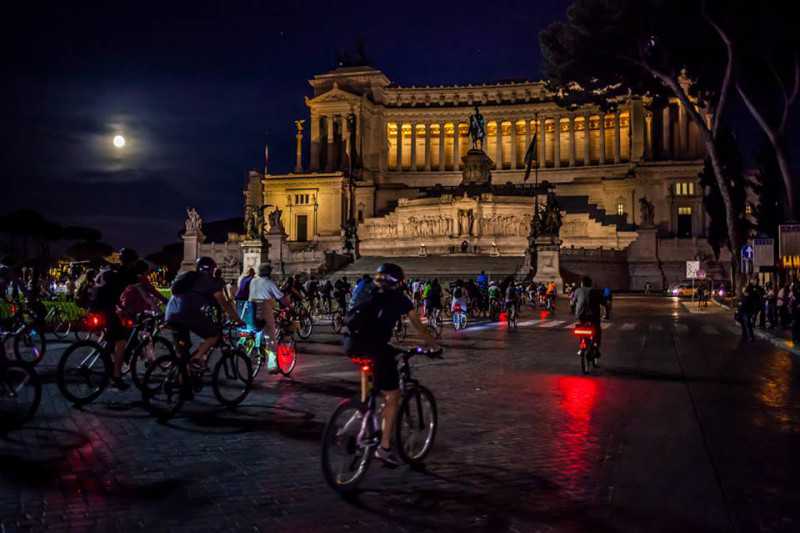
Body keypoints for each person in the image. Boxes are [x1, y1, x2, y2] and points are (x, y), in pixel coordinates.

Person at [343, 263, 439, 466]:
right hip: (375, 346)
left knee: (369, 374)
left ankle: (363, 410)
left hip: (351, 343)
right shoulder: (398, 298)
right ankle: (384, 448)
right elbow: (418, 325)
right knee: (393, 395)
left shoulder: (365, 288)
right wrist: (433, 344)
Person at [165, 256, 245, 370]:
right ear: (212, 269)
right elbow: (223, 303)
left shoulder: (186, 276)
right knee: (214, 335)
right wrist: (237, 319)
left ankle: (181, 376)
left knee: (183, 353)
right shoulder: (208, 281)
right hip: (188, 313)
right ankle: (197, 358)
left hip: (171, 313)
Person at [89, 248, 141, 389]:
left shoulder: (111, 270)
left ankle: (108, 359)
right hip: (110, 309)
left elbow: (110, 291)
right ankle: (116, 376)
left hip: (97, 307)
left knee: (112, 338)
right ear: (132, 262)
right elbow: (139, 289)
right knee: (121, 342)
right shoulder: (128, 273)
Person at [249, 262, 291, 374]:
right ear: (268, 272)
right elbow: (280, 297)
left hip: (251, 310)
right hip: (263, 309)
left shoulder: (253, 281)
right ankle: (272, 365)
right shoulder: (269, 282)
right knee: (271, 338)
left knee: (256, 331)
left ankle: (256, 347)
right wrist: (289, 305)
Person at [573, 276, 603, 356]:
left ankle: (581, 348)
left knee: (581, 328)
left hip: (581, 315)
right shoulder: (595, 291)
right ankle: (596, 346)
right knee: (597, 330)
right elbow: (603, 301)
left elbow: (573, 302)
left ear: (582, 284)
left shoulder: (578, 290)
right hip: (593, 315)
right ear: (591, 284)